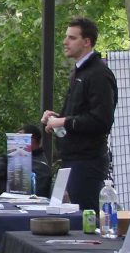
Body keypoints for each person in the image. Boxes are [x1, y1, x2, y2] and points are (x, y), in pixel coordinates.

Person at [42, 17, 118, 212]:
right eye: (66, 37)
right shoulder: (80, 72)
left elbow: (102, 120)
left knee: (87, 217)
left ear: (87, 42)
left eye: (72, 38)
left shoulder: (99, 73)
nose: (65, 42)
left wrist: (64, 121)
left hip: (88, 161)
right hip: (73, 159)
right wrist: (55, 120)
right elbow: (80, 115)